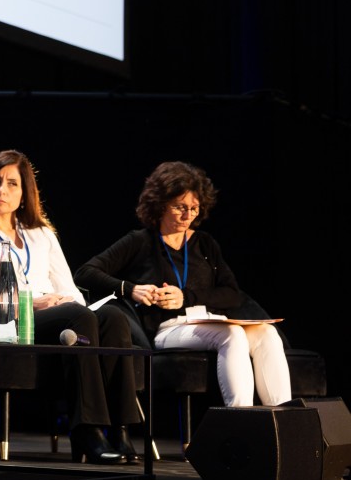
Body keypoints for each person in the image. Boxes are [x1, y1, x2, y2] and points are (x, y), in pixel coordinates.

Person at [0, 149, 140, 464]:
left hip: (57, 313)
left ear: (25, 193)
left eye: (12, 183)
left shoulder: (41, 234)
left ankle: (121, 429)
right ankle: (87, 430)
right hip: (8, 321)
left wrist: (65, 302)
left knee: (112, 317)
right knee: (78, 317)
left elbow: (68, 287)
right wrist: (32, 304)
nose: (1, 190)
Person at [74, 161, 290, 408]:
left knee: (267, 333)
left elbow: (232, 294)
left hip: (210, 321)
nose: (188, 216)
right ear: (160, 204)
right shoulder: (141, 242)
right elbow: (85, 273)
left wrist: (185, 297)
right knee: (232, 334)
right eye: (180, 207)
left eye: (194, 208)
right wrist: (131, 289)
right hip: (168, 328)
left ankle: (284, 416)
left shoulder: (205, 244)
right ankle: (241, 417)